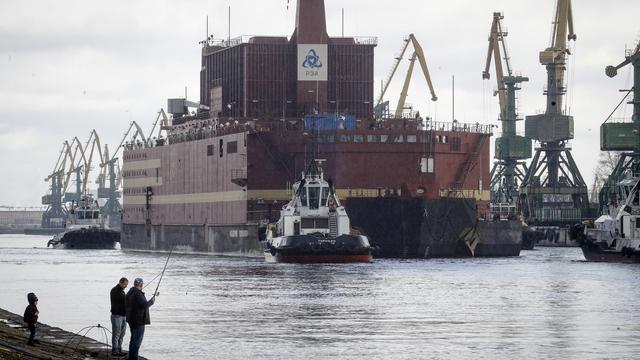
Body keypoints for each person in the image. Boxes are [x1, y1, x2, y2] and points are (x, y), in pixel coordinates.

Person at [125, 278, 158, 360]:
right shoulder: (138, 294)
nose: (142, 285)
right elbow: (145, 305)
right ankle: (134, 358)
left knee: (133, 340)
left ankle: (131, 357)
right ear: (140, 284)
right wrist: (152, 300)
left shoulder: (130, 292)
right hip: (138, 321)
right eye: (142, 284)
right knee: (137, 341)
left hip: (131, 320)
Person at [110, 277, 128, 356]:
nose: (125, 286)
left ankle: (120, 349)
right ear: (120, 282)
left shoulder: (123, 292)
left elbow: (125, 301)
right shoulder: (115, 290)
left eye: (126, 285)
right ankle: (115, 350)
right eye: (124, 284)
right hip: (116, 316)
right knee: (116, 334)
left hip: (123, 316)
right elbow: (121, 300)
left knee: (122, 334)